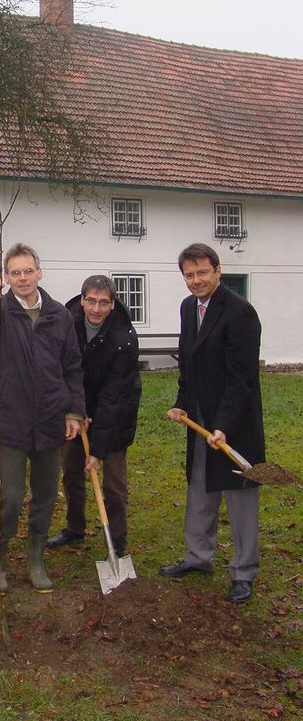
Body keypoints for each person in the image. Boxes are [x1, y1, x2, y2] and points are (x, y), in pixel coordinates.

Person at [161, 242, 265, 603]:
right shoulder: (188, 308)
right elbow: (188, 364)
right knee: (201, 487)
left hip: (236, 421)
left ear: (218, 271)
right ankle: (198, 556)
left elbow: (242, 377)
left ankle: (243, 571)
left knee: (239, 496)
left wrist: (223, 424)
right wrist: (182, 403)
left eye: (202, 272)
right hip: (202, 417)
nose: (195, 280)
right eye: (189, 275)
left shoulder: (240, 313)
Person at [0, 243, 85, 593]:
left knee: (45, 494)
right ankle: (1, 557)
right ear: (6, 277)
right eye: (14, 273)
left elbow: (72, 366)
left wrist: (73, 411)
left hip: (52, 420)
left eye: (28, 271)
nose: (22, 278)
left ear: (40, 272)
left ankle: (36, 559)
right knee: (9, 496)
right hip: (11, 421)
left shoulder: (59, 315)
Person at [47, 275, 141, 556]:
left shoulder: (123, 338)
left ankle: (118, 540)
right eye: (91, 301)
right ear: (82, 299)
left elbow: (115, 396)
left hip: (115, 413)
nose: (96, 309)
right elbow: (60, 369)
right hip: (74, 411)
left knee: (113, 483)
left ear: (112, 304)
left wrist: (98, 450)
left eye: (103, 303)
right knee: (72, 472)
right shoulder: (67, 323)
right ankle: (75, 528)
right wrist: (74, 410)